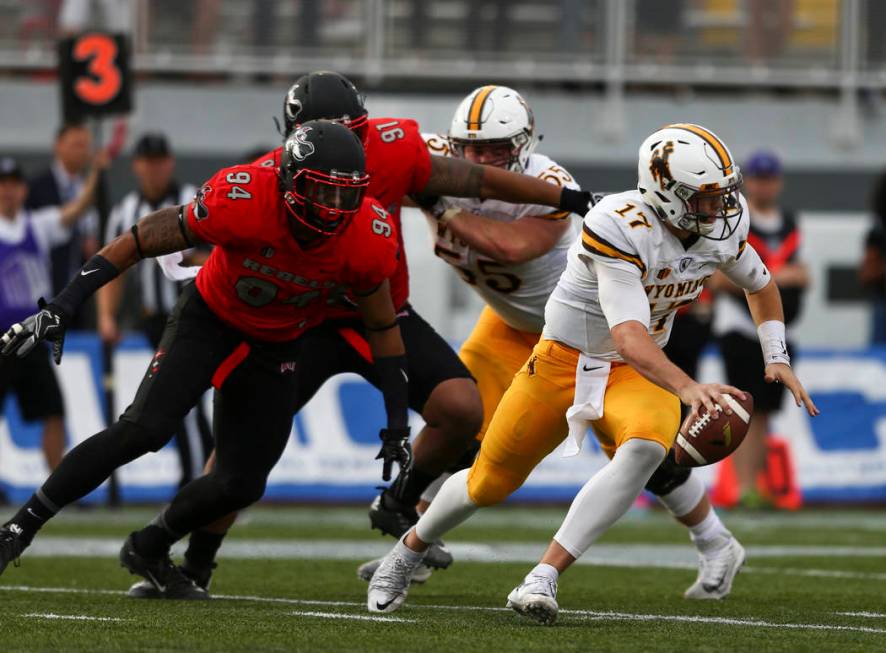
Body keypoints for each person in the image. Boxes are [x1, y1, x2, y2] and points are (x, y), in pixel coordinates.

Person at [141, 71, 591, 598]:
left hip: (378, 313)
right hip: (300, 318)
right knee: (243, 456)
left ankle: (400, 499)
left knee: (462, 408)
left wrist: (573, 197)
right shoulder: (267, 175)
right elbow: (214, 225)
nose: (344, 146)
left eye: (355, 131)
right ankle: (195, 560)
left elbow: (485, 188)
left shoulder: (397, 149)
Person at [367, 123, 819, 621]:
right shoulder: (619, 224)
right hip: (563, 359)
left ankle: (544, 576)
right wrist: (689, 388)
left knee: (646, 449)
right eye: (704, 198)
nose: (720, 209)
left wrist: (775, 354)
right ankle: (407, 551)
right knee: (488, 482)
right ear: (665, 193)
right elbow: (628, 334)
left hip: (633, 373)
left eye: (722, 195)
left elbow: (760, 283)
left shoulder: (722, 225)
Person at [0, 121, 413, 599]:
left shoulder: (367, 235)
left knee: (242, 483)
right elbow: (140, 238)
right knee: (145, 429)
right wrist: (65, 304)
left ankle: (150, 545)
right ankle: (19, 529)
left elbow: (383, 326)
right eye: (321, 191)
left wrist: (398, 421)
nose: (334, 208)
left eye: (346, 196)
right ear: (290, 182)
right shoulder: (247, 196)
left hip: (276, 344)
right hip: (209, 319)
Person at [97, 133, 212, 489]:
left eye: (160, 160)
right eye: (147, 161)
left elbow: (220, 256)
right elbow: (113, 269)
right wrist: (106, 315)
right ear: (136, 166)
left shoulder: (194, 199)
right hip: (155, 320)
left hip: (199, 314)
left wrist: (190, 256)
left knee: (183, 402)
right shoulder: (126, 211)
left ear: (170, 162)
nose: (154, 169)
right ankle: (199, 480)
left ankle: (197, 480)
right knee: (176, 402)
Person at [711, 150, 809, 508]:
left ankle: (758, 484)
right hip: (740, 327)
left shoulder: (788, 221)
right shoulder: (734, 219)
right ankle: (743, 484)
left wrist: (781, 278)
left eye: (769, 178)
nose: (764, 185)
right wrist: (770, 280)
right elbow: (719, 278)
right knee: (743, 408)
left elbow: (802, 271)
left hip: (780, 332)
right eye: (757, 178)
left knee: (766, 410)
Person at [0, 154, 105, 473]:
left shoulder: (36, 224)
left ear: (23, 190)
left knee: (54, 412)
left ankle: (52, 486)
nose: (9, 191)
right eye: (3, 185)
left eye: (14, 185)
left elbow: (74, 211)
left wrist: (95, 174)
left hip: (32, 338)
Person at [26, 121, 99, 303]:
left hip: (82, 290)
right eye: (76, 145)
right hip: (46, 290)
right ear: (58, 146)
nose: (82, 151)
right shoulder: (36, 187)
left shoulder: (94, 187)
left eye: (85, 146)